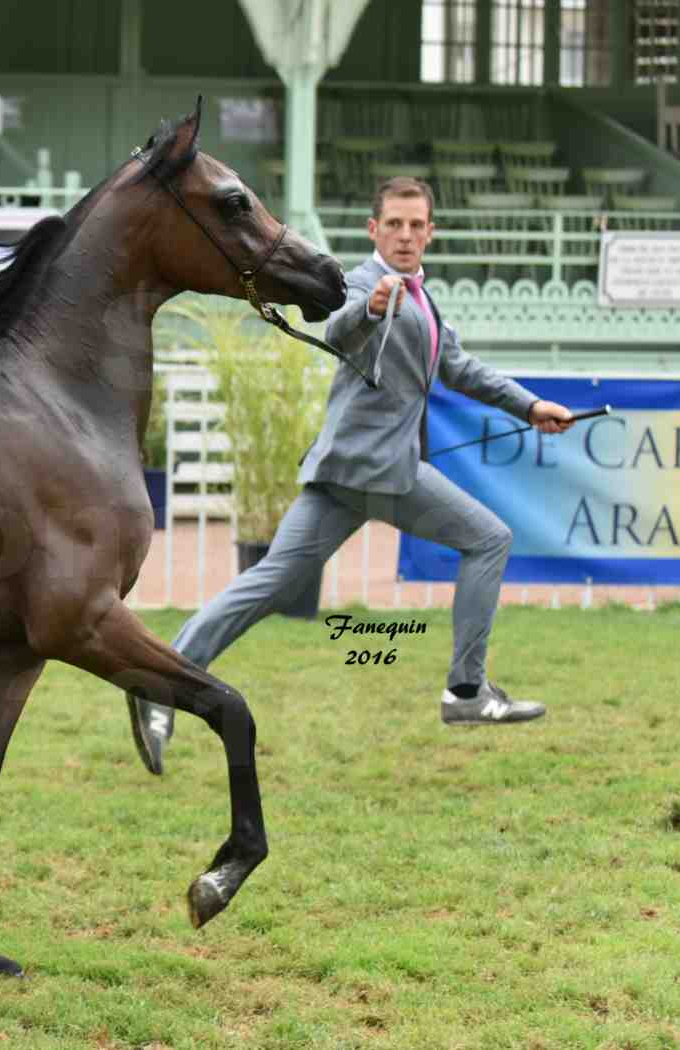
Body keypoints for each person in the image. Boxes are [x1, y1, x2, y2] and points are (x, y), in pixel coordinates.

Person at [128, 175, 579, 776]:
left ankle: (161, 680)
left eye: (417, 225)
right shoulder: (363, 284)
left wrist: (529, 405)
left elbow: (459, 368)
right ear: (374, 230)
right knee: (489, 538)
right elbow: (338, 330)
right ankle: (467, 694)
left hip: (349, 472)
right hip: (379, 471)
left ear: (431, 232)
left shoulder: (422, 296)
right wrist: (367, 310)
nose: (407, 234)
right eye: (394, 223)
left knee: (271, 583)